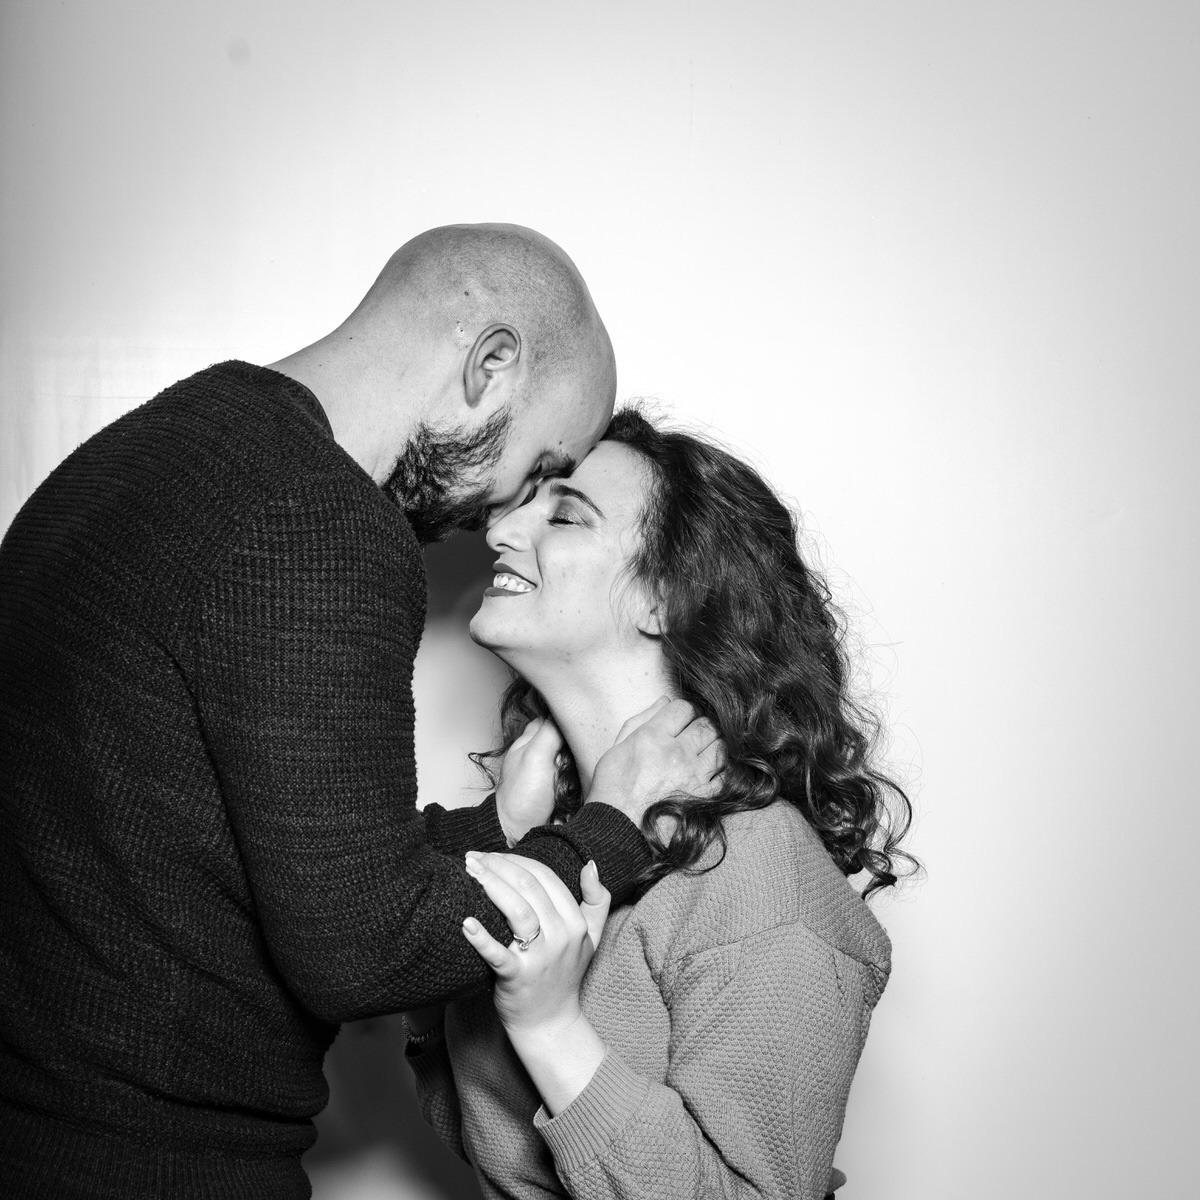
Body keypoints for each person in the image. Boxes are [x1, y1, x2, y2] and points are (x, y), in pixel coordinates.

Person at [0, 225, 721, 1198]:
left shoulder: (149, 448)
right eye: (540, 467)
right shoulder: (318, 522)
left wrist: (491, 831)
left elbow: (230, 853)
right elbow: (362, 951)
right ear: (489, 364)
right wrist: (613, 829)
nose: (506, 516)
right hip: (154, 1164)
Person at [404, 408, 915, 1200]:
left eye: (566, 516)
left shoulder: (761, 873)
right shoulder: (548, 837)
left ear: (664, 598)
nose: (499, 530)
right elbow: (482, 1139)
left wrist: (551, 1028)